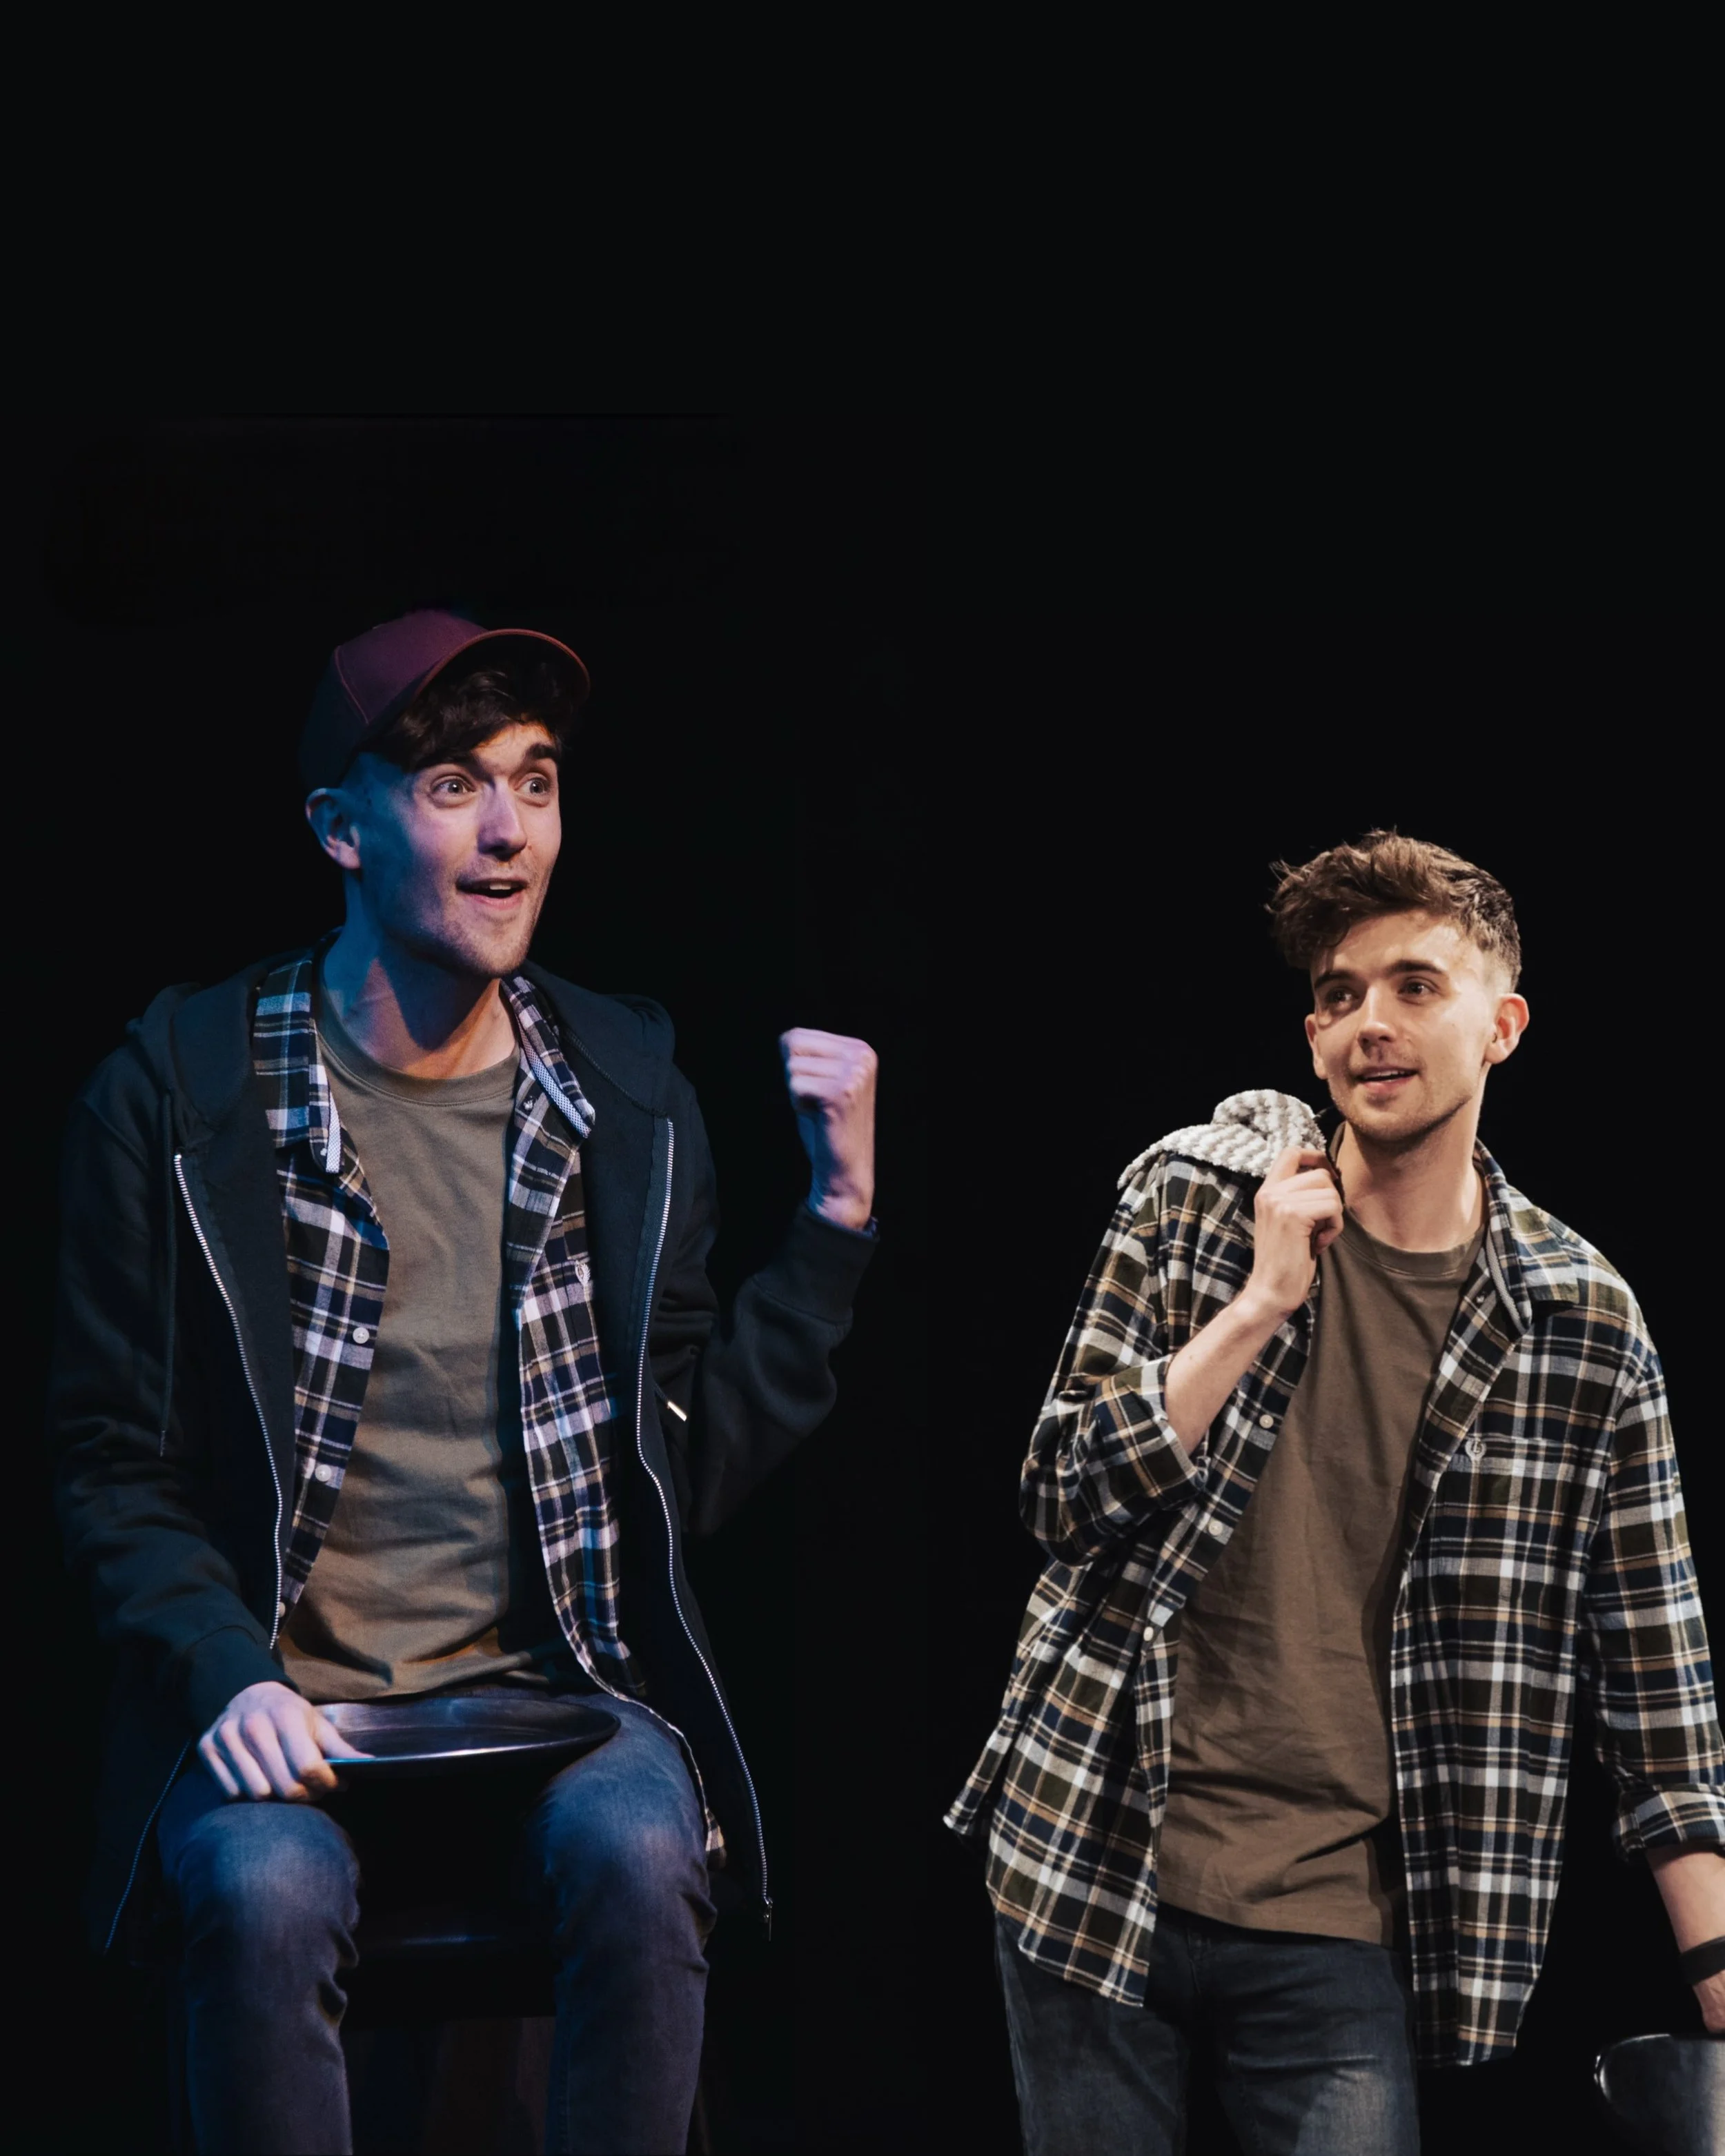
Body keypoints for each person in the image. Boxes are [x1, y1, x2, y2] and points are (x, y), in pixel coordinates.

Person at [52, 609, 879, 2156]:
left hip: (553, 1692)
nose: (509, 831)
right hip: (285, 1701)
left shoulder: (622, 1096)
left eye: (536, 781)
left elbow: (677, 1468)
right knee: (259, 1885)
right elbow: (112, 1461)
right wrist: (226, 1671)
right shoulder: (182, 1095)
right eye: (452, 785)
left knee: (643, 1853)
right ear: (341, 829)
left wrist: (834, 1224)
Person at [947, 831, 1724, 2156]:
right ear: (1313, 1040)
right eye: (1341, 994)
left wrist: (1713, 1963)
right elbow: (1060, 1493)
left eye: (1417, 986)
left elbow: (1656, 1676)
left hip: (1342, 1915)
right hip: (1097, 1847)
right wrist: (1258, 1305)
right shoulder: (1197, 1199)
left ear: (1503, 1027)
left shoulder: (1581, 1323)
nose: (1373, 1022)